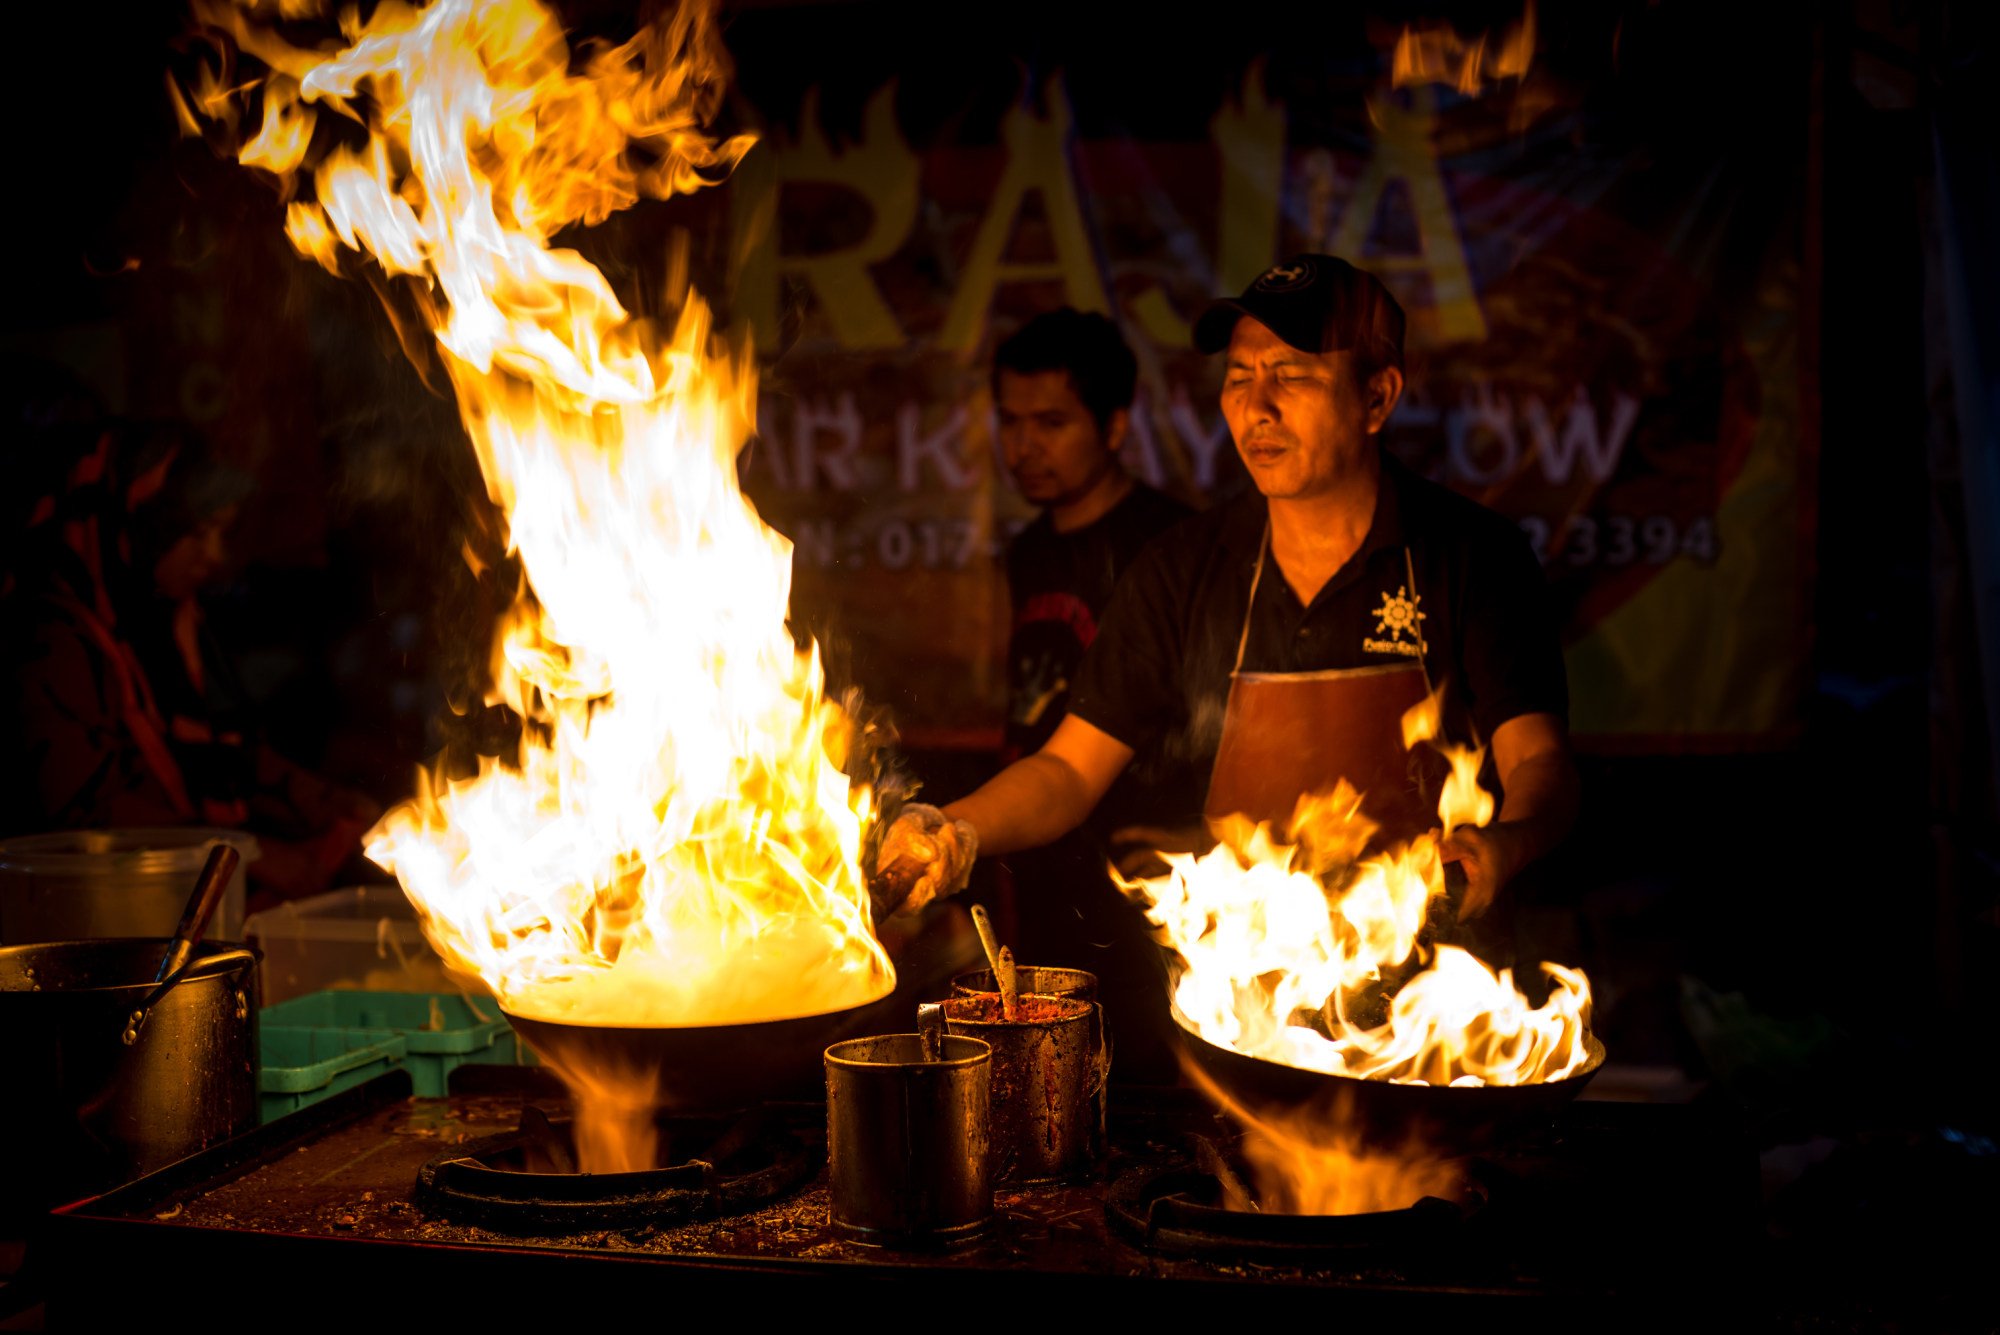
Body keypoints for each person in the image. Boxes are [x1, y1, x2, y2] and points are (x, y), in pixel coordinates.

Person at [878, 254, 1578, 973]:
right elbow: (1067, 769)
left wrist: (1506, 842)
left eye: (1294, 375)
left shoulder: (1472, 556)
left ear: (1378, 397)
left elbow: (1538, 758)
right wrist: (955, 828)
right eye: (1240, 377)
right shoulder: (1182, 568)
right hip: (1247, 995)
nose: (1258, 406)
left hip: (1438, 997)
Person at [2, 415, 381, 904]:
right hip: (104, 921)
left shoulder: (167, 624)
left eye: (220, 533)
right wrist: (251, 855)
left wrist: (323, 803)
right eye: (198, 534)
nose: (214, 556)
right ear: (142, 530)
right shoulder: (54, 641)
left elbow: (228, 755)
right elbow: (90, 817)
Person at [985, 309, 1190, 1078]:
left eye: (1051, 422)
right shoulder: (1030, 550)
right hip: (1039, 871)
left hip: (1144, 886)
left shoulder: (1170, 547)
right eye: (1010, 421)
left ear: (1113, 425)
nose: (1024, 446)